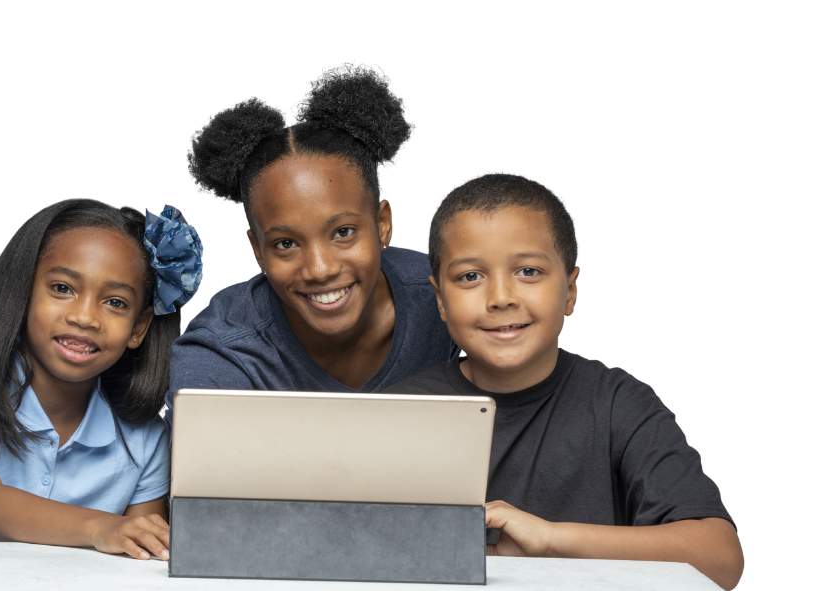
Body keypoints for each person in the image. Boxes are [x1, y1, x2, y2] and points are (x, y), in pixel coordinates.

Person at [386, 174, 744, 589]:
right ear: (440, 300)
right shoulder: (401, 412)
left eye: (528, 271)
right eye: (470, 277)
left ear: (570, 291)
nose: (501, 297)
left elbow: (720, 558)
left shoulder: (618, 404)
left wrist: (551, 541)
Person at [0, 199, 203, 561]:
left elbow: (141, 556)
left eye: (115, 302)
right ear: (22, 292)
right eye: (62, 289)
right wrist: (101, 526)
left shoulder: (145, 438)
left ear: (138, 327)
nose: (85, 317)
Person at [164, 66, 457, 424]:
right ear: (258, 251)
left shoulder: (447, 295)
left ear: (382, 225)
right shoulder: (222, 351)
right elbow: (206, 472)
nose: (320, 269)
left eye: (343, 232)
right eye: (286, 243)